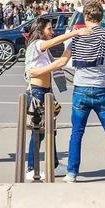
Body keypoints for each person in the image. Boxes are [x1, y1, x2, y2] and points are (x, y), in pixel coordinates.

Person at [63, 0, 105, 182]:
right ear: (101, 17)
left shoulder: (76, 36)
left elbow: (64, 60)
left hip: (80, 88)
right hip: (101, 87)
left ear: (86, 17)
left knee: (77, 132)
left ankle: (72, 173)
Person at [23, 15, 75, 181]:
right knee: (38, 132)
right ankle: (31, 168)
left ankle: (54, 164)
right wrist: (74, 34)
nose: (52, 32)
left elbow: (60, 62)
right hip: (37, 92)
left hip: (46, 91)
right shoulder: (38, 44)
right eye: (49, 29)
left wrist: (71, 44)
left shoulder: (42, 49)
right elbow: (56, 43)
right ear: (41, 31)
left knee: (50, 129)